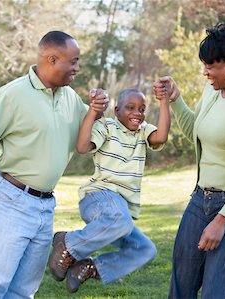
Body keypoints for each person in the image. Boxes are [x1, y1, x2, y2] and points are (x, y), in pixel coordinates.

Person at [0, 31, 108, 299]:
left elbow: (90, 126)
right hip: (8, 201)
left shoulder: (70, 98)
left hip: (44, 206)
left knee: (24, 291)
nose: (77, 67)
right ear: (52, 59)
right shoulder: (12, 95)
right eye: (73, 61)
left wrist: (98, 106)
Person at [153, 23, 225, 298]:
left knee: (214, 293)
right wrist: (176, 99)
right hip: (199, 201)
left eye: (211, 66)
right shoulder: (212, 93)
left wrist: (222, 219)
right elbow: (196, 129)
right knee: (181, 288)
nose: (206, 72)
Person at [47, 88, 171, 293]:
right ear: (116, 110)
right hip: (98, 197)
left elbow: (161, 137)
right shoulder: (107, 126)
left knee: (145, 249)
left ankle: (89, 267)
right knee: (121, 221)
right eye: (130, 108)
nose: (137, 113)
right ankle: (68, 244)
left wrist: (164, 100)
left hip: (119, 213)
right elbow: (82, 146)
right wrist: (93, 111)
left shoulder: (143, 131)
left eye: (142, 109)